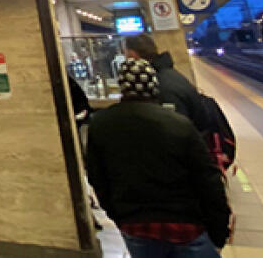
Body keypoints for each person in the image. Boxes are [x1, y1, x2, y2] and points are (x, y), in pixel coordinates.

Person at [87, 59, 230, 256]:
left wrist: (119, 217)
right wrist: (219, 230)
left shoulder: (101, 124)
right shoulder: (179, 125)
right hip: (186, 226)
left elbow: (97, 178)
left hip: (136, 224)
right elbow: (208, 180)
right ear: (154, 86)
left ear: (122, 87)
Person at [123, 34, 213, 135]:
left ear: (132, 54)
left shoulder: (160, 84)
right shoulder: (168, 74)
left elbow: (175, 131)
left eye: (125, 54)